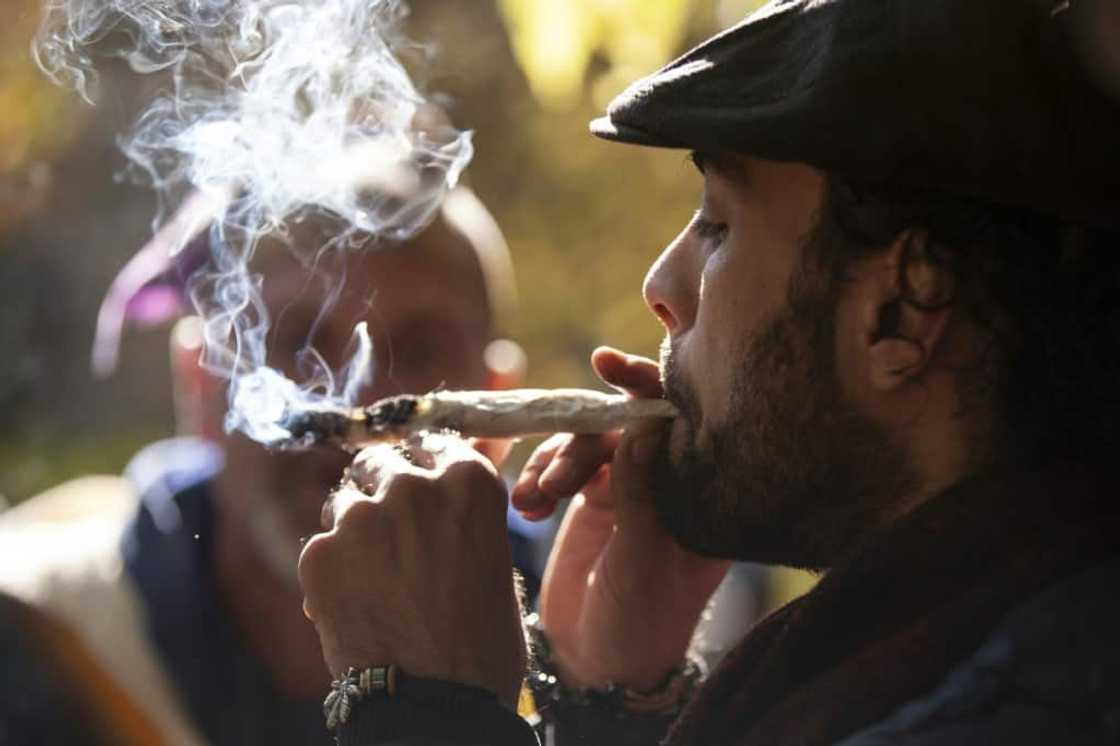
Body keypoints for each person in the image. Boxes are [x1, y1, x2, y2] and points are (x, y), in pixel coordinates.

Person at [295, 1, 1120, 744]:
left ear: (902, 310)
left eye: (718, 227)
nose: (662, 288)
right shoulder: (976, 636)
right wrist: (611, 707)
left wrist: (423, 712)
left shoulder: (1020, 704)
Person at [0, 184, 535, 745]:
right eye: (295, 341)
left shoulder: (585, 636)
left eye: (419, 350)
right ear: (200, 383)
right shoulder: (41, 640)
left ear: (498, 409)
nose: (357, 404)